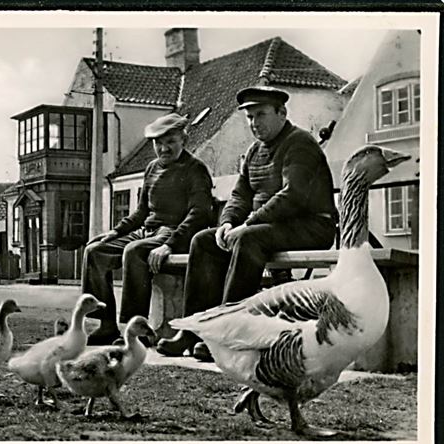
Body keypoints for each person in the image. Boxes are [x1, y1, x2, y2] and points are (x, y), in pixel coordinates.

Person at [156, 86, 339, 360]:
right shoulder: (254, 152)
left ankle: (228, 335)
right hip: (270, 228)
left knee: (248, 239)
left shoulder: (300, 143)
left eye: (261, 114)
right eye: (250, 117)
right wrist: (228, 223)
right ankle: (194, 331)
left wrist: (248, 223)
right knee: (204, 241)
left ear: (282, 113)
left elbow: (292, 196)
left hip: (310, 226)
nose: (254, 123)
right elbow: (240, 195)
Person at [82, 113, 215, 345]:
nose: (164, 149)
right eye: (158, 143)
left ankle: (138, 331)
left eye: (170, 142)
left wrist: (168, 245)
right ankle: (106, 325)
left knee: (135, 252)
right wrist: (114, 232)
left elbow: (199, 215)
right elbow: (141, 212)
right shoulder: (152, 168)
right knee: (95, 251)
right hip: (148, 231)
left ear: (184, 140)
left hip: (175, 233)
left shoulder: (195, 169)